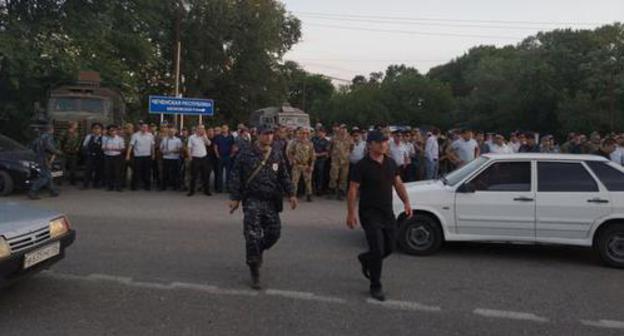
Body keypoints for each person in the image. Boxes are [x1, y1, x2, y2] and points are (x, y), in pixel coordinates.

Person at [229, 125, 297, 290]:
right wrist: (235, 198)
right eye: (265, 134)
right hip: (252, 200)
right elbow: (236, 174)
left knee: (274, 233)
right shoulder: (246, 153)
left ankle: (257, 251)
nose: (269, 137)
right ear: (257, 135)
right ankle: (254, 269)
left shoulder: (276, 153)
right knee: (252, 235)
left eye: (271, 134)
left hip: (271, 201)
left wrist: (292, 194)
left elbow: (283, 175)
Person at [346, 130, 412, 301]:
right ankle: (376, 285)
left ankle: (365, 258)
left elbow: (398, 184)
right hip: (369, 213)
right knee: (377, 249)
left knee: (390, 247)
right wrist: (351, 213)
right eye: (379, 142)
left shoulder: (390, 163)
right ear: (370, 145)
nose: (384, 144)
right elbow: (353, 189)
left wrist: (406, 202)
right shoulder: (362, 165)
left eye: (385, 141)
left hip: (387, 212)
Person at [28, 124, 63, 199]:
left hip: (39, 158)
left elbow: (32, 147)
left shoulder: (39, 137)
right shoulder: (48, 137)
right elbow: (49, 147)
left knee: (48, 175)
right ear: (51, 129)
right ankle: (33, 191)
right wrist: (57, 152)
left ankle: (53, 191)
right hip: (45, 158)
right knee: (45, 177)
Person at [287, 127, 315, 202]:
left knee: (308, 181)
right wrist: (292, 160)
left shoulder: (310, 143)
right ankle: (293, 195)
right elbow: (289, 153)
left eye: (306, 133)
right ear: (299, 134)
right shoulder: (294, 142)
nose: (304, 135)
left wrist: (311, 166)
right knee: (294, 181)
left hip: (306, 165)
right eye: (303, 133)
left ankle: (309, 195)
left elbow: (312, 156)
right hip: (297, 165)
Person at [127, 122, 155, 191]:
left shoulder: (150, 135)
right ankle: (134, 186)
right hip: (138, 156)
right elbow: (131, 145)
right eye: (143, 127)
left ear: (147, 128)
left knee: (147, 172)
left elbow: (152, 146)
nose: (144, 128)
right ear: (140, 128)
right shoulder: (135, 135)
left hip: (147, 156)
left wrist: (153, 154)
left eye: (146, 127)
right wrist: (128, 155)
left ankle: (147, 186)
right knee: (136, 172)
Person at [328, 124, 352, 200]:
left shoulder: (349, 138)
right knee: (333, 176)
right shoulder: (334, 138)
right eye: (342, 128)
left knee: (343, 177)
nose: (343, 130)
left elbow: (351, 148)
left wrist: (346, 155)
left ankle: (341, 192)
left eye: (345, 128)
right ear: (339, 129)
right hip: (335, 160)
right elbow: (329, 147)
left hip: (345, 161)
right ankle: (332, 190)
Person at [187, 125, 212, 197]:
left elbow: (209, 144)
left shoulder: (204, 136)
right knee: (193, 176)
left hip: (204, 158)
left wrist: (204, 137)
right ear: (197, 129)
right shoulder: (192, 137)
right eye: (200, 128)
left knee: (205, 175)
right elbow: (189, 147)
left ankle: (207, 191)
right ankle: (191, 191)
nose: (202, 130)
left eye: (203, 128)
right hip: (195, 158)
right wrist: (190, 157)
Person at [101, 125, 125, 191]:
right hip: (108, 156)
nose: (112, 132)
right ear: (109, 131)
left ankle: (118, 187)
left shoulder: (120, 139)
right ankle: (110, 186)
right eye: (111, 131)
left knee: (117, 172)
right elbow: (103, 148)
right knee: (109, 172)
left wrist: (114, 149)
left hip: (117, 157)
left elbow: (122, 149)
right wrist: (107, 148)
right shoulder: (105, 138)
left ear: (116, 131)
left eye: (114, 130)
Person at [160, 125, 184, 191]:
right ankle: (163, 187)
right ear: (168, 132)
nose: (171, 133)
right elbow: (161, 148)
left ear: (175, 132)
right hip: (166, 158)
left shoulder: (178, 140)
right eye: (170, 131)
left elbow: (180, 150)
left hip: (175, 158)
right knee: (164, 173)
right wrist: (163, 151)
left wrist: (173, 151)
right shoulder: (164, 139)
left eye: (173, 131)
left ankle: (175, 186)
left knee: (175, 173)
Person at [59, 121, 82, 185]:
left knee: (73, 168)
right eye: (76, 124)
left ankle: (73, 181)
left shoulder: (77, 133)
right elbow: (60, 141)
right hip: (65, 152)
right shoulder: (64, 132)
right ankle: (60, 180)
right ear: (71, 125)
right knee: (62, 168)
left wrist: (78, 147)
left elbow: (79, 141)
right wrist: (61, 150)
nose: (77, 126)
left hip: (74, 152)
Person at [82, 123, 104, 189]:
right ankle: (86, 184)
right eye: (95, 128)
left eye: (98, 128)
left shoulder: (103, 137)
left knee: (98, 170)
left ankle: (96, 184)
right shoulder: (89, 136)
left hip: (99, 156)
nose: (96, 130)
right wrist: (87, 153)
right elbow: (84, 146)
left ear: (101, 130)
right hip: (90, 156)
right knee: (88, 170)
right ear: (92, 129)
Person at [214, 124, 235, 193]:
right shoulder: (218, 137)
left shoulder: (231, 137)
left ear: (227, 129)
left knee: (228, 174)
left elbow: (233, 146)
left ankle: (228, 188)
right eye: (223, 128)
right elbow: (215, 146)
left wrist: (232, 154)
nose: (224, 129)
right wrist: (217, 154)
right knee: (220, 173)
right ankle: (219, 189)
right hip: (220, 157)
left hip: (228, 157)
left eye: (225, 128)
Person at [311, 127, 330, 196]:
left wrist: (318, 154)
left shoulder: (326, 142)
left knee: (320, 175)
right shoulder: (313, 139)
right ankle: (312, 189)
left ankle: (319, 189)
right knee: (313, 175)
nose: (321, 134)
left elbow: (327, 152)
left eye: (322, 132)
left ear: (325, 134)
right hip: (313, 159)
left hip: (321, 160)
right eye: (320, 132)